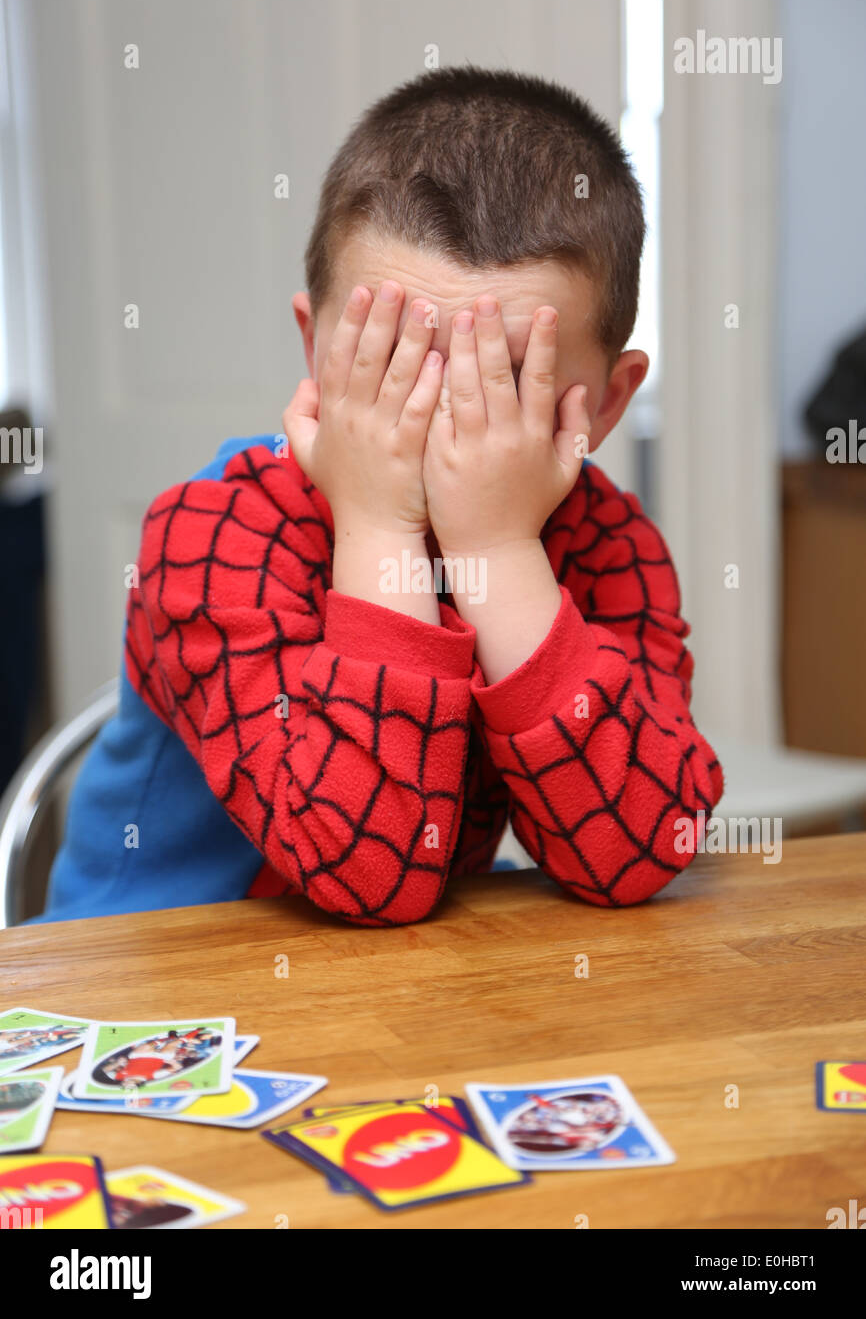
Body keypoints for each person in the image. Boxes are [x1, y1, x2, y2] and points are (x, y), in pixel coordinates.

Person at [30, 66, 723, 928]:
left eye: (502, 384)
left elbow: (642, 851)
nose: (438, 416)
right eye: (393, 362)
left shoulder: (607, 544)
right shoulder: (213, 531)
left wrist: (500, 556)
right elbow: (366, 871)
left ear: (609, 402)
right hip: (151, 995)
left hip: (402, 1000)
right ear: (315, 345)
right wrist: (380, 530)